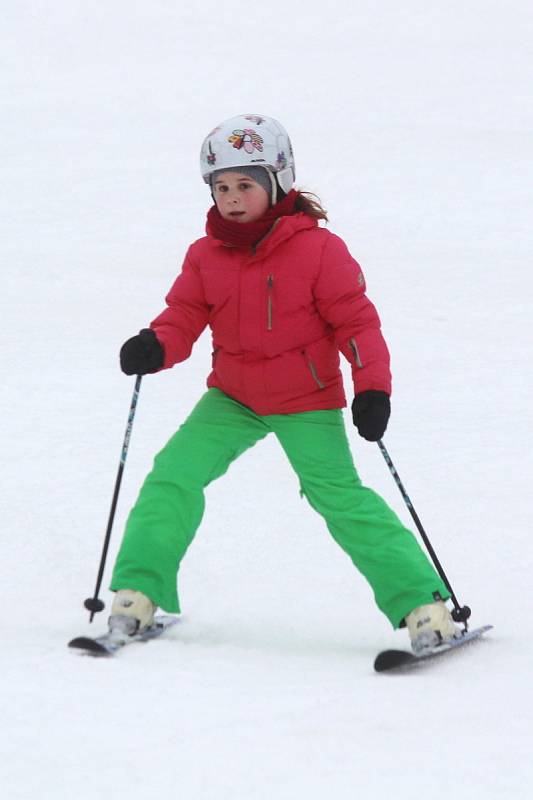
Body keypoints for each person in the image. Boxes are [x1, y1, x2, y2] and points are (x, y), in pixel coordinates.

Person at [109, 113, 459, 654]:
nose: (231, 197)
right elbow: (183, 314)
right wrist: (157, 345)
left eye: (245, 185)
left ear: (277, 183)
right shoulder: (206, 255)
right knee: (172, 476)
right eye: (221, 186)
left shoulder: (319, 250)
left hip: (306, 399)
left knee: (339, 498)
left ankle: (426, 608)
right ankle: (137, 594)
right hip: (233, 396)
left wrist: (372, 389)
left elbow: (356, 323)